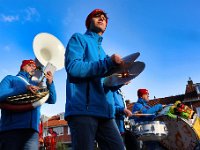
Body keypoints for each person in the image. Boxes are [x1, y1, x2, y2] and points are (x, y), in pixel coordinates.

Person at [64, 9, 125, 150]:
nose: (101, 18)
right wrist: (107, 63)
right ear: (89, 21)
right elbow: (73, 67)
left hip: (105, 113)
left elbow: (104, 83)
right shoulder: (78, 38)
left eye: (104, 18)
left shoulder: (104, 53)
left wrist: (118, 81)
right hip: (83, 110)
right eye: (97, 16)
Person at [0, 59, 56, 150]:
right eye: (30, 65)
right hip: (11, 129)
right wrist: (24, 88)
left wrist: (50, 83)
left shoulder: (36, 85)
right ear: (23, 67)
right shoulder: (10, 79)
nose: (33, 68)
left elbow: (52, 100)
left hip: (32, 132)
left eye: (35, 67)